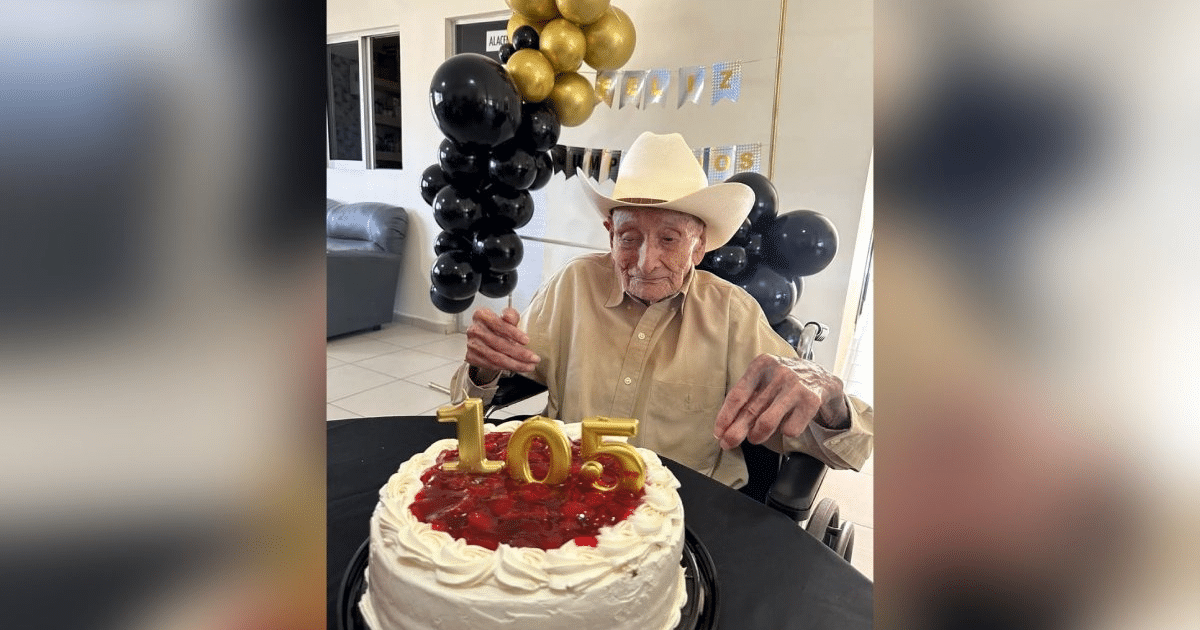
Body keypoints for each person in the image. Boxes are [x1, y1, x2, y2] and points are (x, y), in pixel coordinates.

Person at [450, 132, 872, 488]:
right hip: (570, 494)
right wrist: (484, 369)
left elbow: (848, 446)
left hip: (687, 510)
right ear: (609, 233)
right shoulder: (573, 285)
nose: (645, 262)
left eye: (669, 240)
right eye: (629, 237)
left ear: (700, 245)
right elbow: (471, 400)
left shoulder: (732, 314)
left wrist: (829, 395)